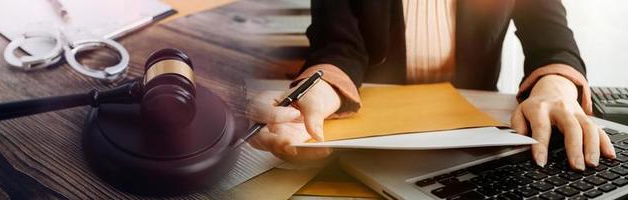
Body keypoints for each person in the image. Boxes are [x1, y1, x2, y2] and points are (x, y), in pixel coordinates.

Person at [247, 0, 615, 171]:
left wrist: (556, 89)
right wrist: (319, 89)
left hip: (476, 138)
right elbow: (338, 45)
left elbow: (552, 41)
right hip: (372, 137)